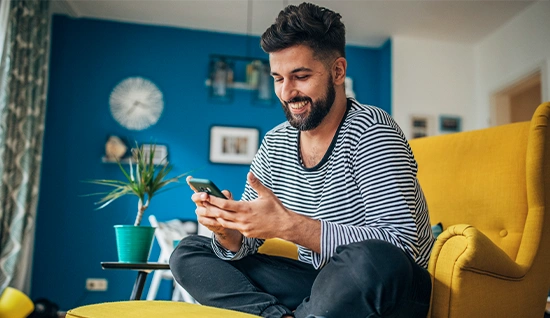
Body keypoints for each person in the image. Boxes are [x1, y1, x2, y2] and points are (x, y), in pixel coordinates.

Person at [170, 3, 435, 318]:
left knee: (370, 259)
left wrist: (289, 226)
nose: (286, 92)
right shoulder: (275, 142)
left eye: (301, 76)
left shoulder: (373, 130)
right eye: (278, 78)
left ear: (337, 71)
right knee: (189, 252)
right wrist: (228, 230)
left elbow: (402, 246)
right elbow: (248, 242)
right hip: (319, 284)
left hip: (389, 287)